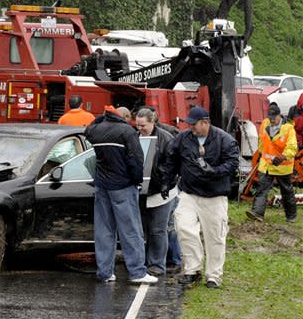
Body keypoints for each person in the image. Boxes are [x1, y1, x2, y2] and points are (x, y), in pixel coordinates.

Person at [164, 106, 239, 288]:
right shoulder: (184, 138)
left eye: (194, 124)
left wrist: (215, 171)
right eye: (189, 124)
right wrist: (167, 182)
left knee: (215, 237)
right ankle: (192, 270)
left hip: (214, 196)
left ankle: (213, 275)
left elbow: (232, 163)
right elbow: (172, 159)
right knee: (184, 228)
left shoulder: (224, 139)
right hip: (189, 193)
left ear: (205, 122)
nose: (191, 127)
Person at [85, 105, 158, 284]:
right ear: (123, 117)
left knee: (104, 231)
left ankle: (104, 272)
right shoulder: (127, 131)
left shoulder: (97, 131)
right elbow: (136, 160)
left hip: (102, 187)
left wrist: (102, 117)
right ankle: (137, 272)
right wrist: (137, 181)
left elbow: (88, 129)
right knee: (130, 230)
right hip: (123, 186)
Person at [135, 108, 178, 276]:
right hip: (142, 191)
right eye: (137, 125)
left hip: (161, 192)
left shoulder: (166, 138)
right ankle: (146, 260)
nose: (139, 128)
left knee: (158, 229)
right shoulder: (134, 136)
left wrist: (162, 181)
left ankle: (157, 265)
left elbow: (172, 164)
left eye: (143, 125)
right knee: (144, 229)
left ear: (153, 122)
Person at [246, 103, 297, 223]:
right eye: (270, 117)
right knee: (262, 189)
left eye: (274, 118)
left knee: (287, 191)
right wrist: (259, 154)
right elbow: (261, 140)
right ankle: (257, 213)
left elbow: (292, 147)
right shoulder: (265, 123)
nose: (272, 120)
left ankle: (291, 216)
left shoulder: (288, 128)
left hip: (282, 167)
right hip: (266, 165)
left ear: (280, 115)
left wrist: (282, 157)